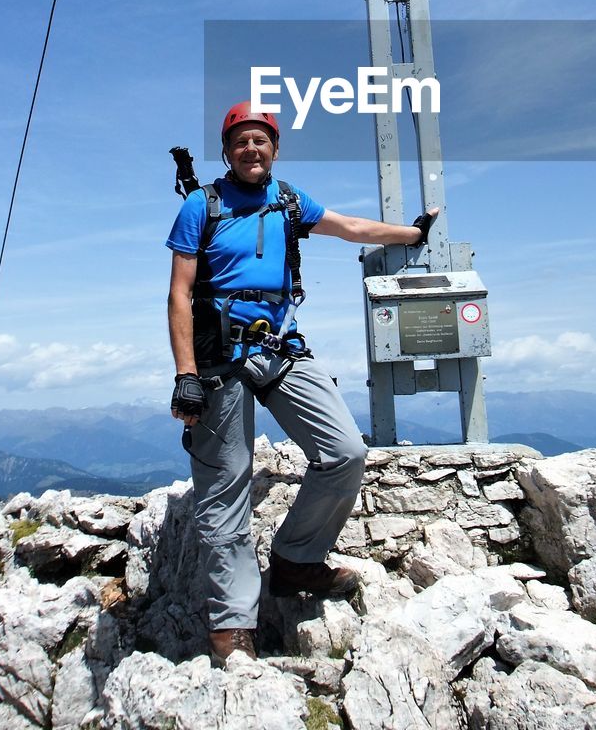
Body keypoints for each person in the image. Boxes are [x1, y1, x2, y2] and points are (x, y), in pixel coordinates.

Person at [166, 100, 436, 666]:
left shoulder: (288, 200)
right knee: (225, 485)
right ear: (227, 152)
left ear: (275, 149)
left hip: (282, 346)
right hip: (220, 357)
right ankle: (232, 624)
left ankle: (294, 562)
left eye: (260, 140)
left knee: (344, 452)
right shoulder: (202, 205)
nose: (251, 149)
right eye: (240, 141)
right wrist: (185, 375)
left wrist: (411, 234)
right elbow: (178, 294)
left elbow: (349, 228)